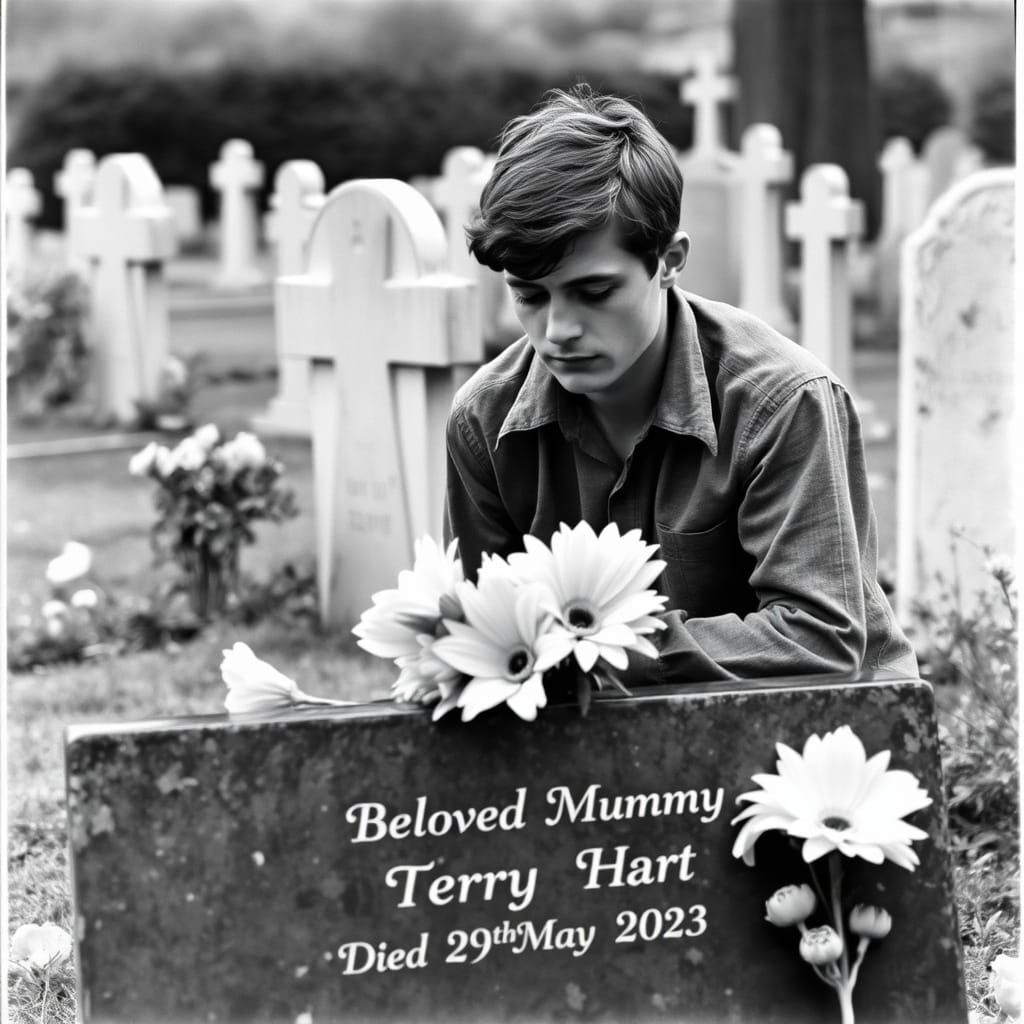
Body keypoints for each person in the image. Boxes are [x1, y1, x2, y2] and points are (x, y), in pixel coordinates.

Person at [443, 84, 918, 684]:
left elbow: (821, 639)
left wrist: (598, 644)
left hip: (817, 739)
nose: (558, 330)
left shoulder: (780, 402)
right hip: (595, 756)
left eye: (594, 293)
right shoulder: (484, 421)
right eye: (529, 296)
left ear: (668, 261)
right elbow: (478, 643)